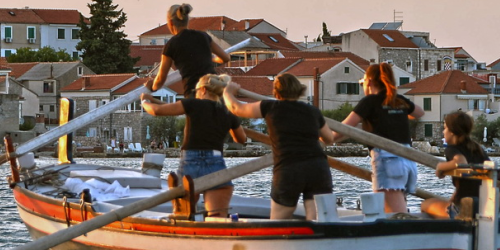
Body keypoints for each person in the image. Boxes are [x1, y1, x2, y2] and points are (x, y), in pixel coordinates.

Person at [224, 74, 339, 220]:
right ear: (299, 90)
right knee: (318, 221)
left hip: (289, 169)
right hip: (317, 167)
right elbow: (328, 138)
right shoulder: (312, 111)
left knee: (279, 221)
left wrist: (227, 92)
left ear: (276, 92)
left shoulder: (270, 107)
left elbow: (236, 107)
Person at [142, 73, 247, 217]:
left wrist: (144, 101)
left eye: (197, 91)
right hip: (216, 164)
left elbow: (156, 110)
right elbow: (241, 139)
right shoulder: (227, 111)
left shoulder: (193, 104)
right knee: (217, 219)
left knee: (183, 216)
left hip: (190, 163)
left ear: (203, 90)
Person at [341, 62, 420, 214]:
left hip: (387, 160)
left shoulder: (369, 101)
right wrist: (398, 114)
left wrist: (325, 138)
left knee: (397, 214)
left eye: (362, 83)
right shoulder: (398, 100)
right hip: (408, 160)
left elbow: (344, 128)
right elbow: (419, 113)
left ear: (368, 82)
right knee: (389, 208)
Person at [149, 4, 230, 97]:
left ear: (170, 23)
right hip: (214, 89)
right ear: (187, 20)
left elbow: (160, 79)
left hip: (194, 92)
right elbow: (225, 58)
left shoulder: (171, 45)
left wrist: (151, 88)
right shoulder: (203, 36)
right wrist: (210, 58)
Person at [421, 110, 491, 219]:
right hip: (484, 206)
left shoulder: (451, 149)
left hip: (463, 209)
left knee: (425, 205)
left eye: (445, 128)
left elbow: (461, 162)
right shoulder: (478, 149)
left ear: (452, 131)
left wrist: (440, 167)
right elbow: (465, 185)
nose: (443, 132)